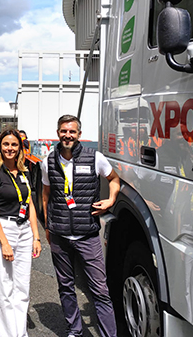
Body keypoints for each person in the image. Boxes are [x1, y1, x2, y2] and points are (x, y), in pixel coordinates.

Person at [41, 115, 120, 337]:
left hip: (88, 235)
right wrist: (48, 226)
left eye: (72, 132)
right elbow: (46, 195)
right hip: (59, 235)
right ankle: (74, 330)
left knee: (100, 290)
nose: (67, 135)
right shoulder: (48, 160)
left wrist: (111, 200)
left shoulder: (95, 158)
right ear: (58, 133)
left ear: (79, 135)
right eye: (63, 131)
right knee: (65, 287)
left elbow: (114, 179)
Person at [0, 129, 41, 337]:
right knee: (6, 290)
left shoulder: (25, 172)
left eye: (14, 145)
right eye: (6, 144)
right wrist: (4, 243)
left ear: (20, 148)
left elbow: (30, 205)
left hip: (24, 231)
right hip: (3, 231)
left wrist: (36, 236)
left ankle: (20, 333)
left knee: (22, 289)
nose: (10, 148)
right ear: (0, 147)